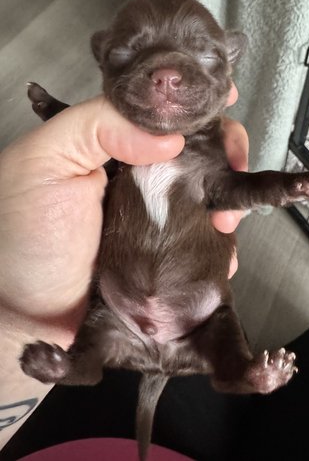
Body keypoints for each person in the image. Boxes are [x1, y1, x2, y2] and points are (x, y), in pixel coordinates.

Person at [0, 84, 248, 450]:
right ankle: (243, 371)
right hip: (153, 310)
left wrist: (18, 323)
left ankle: (241, 371)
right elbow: (103, 144)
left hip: (134, 308)